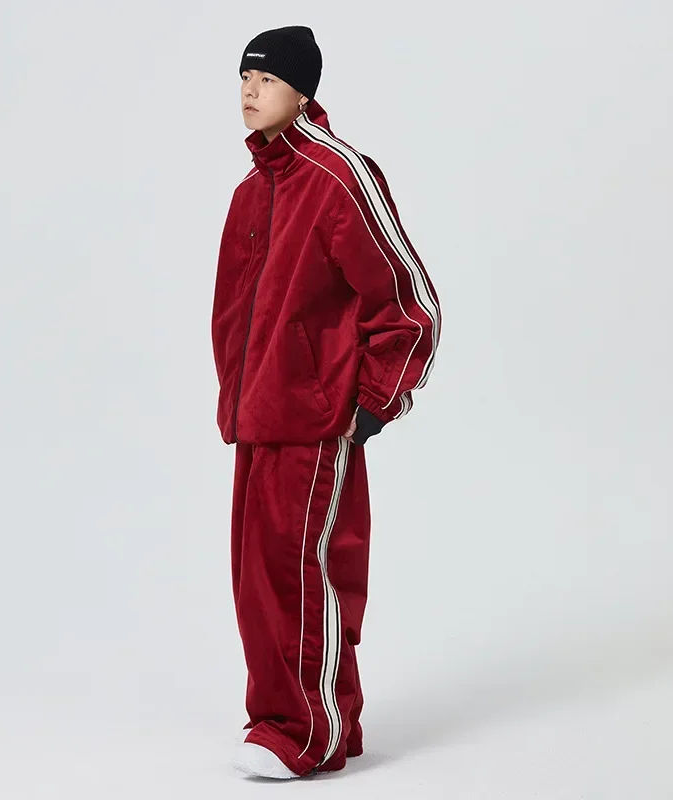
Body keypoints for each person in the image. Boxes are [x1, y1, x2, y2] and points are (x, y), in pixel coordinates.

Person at [210, 25, 442, 779]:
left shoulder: (338, 175)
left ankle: (299, 733)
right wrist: (238, 398)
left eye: (268, 79)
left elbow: (410, 304)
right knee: (260, 581)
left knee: (299, 573)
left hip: (314, 420)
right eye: (244, 77)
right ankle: (312, 721)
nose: (250, 91)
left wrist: (372, 403)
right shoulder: (251, 191)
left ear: (303, 90)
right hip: (257, 418)